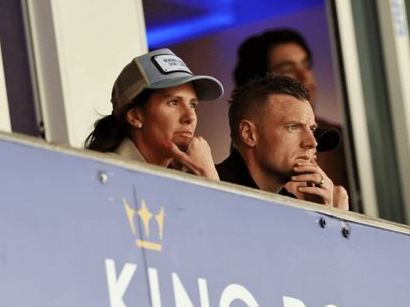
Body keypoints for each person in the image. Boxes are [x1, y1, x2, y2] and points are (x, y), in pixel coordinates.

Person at [233, 28, 350, 193]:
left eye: (307, 65)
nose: (305, 77)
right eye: (288, 71)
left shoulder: (346, 142)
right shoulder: (237, 166)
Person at [85, 48, 223, 180]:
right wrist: (208, 176)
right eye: (173, 102)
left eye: (192, 105)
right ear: (135, 117)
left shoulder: (179, 176)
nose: (190, 117)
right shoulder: (106, 173)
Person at [217, 74, 348, 209]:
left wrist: (323, 215)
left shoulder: (294, 206)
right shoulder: (207, 185)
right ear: (249, 134)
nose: (312, 142)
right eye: (293, 127)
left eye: (312, 129)